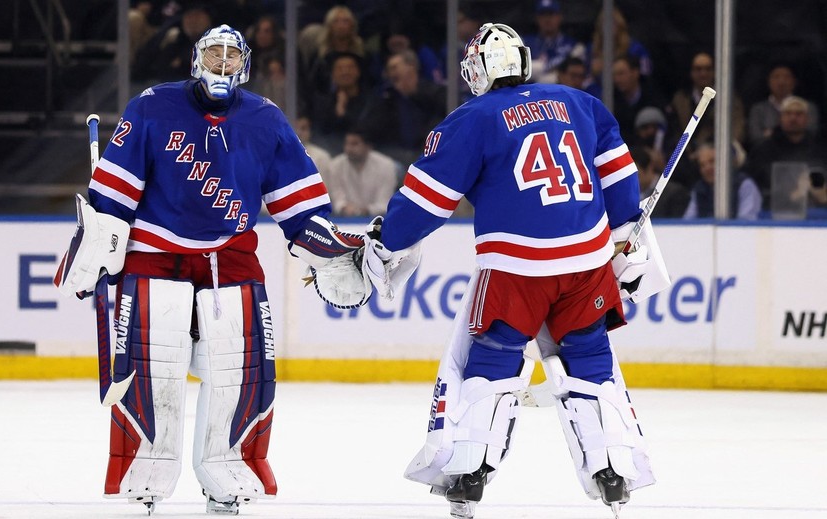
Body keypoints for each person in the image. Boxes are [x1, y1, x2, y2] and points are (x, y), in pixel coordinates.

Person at [53, 24, 363, 516]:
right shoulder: (152, 107)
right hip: (155, 253)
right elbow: (112, 196)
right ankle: (146, 468)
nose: (222, 63)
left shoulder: (265, 119)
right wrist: (95, 245)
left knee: (241, 369)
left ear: (245, 65)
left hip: (231, 257)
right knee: (151, 364)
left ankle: (228, 469)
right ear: (196, 60)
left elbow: (301, 209)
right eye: (213, 54)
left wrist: (330, 249)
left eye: (230, 56)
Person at [365, 22, 658, 519]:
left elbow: (426, 200)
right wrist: (627, 229)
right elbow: (619, 171)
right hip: (586, 263)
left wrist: (386, 241)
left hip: (516, 267)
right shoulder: (580, 102)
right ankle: (612, 469)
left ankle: (470, 470)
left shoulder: (472, 118)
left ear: (478, 70)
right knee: (589, 356)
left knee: (494, 357)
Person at [745, 95, 827, 211]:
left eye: (799, 114)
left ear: (807, 119)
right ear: (780, 118)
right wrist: (792, 195)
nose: (793, 118)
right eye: (788, 113)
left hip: (818, 212)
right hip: (771, 212)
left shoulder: (821, 149)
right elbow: (755, 186)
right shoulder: (763, 150)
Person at [326, 129, 399, 216]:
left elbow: (385, 202)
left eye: (354, 144)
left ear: (368, 146)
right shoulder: (335, 165)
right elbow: (337, 198)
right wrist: (344, 207)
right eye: (347, 144)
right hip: (344, 218)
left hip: (378, 217)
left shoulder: (386, 165)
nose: (349, 148)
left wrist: (366, 210)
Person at [747, 63, 819, 148]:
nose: (781, 82)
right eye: (776, 77)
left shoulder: (808, 107)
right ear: (768, 82)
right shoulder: (758, 109)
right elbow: (756, 138)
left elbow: (811, 134)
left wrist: (770, 133)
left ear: (795, 81)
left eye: (787, 77)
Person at [683, 143, 761, 220]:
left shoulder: (744, 185)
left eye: (712, 161)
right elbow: (688, 222)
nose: (707, 168)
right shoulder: (699, 189)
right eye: (702, 165)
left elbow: (746, 222)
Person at [522, 0, 585, 85]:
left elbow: (572, 77)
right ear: (537, 18)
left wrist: (539, 70)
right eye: (543, 15)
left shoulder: (574, 46)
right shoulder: (524, 43)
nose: (547, 19)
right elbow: (521, 73)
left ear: (560, 17)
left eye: (551, 14)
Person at [631, 146, 688, 218]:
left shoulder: (673, 193)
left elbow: (675, 223)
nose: (631, 181)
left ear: (649, 168)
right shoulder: (629, 196)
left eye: (635, 176)